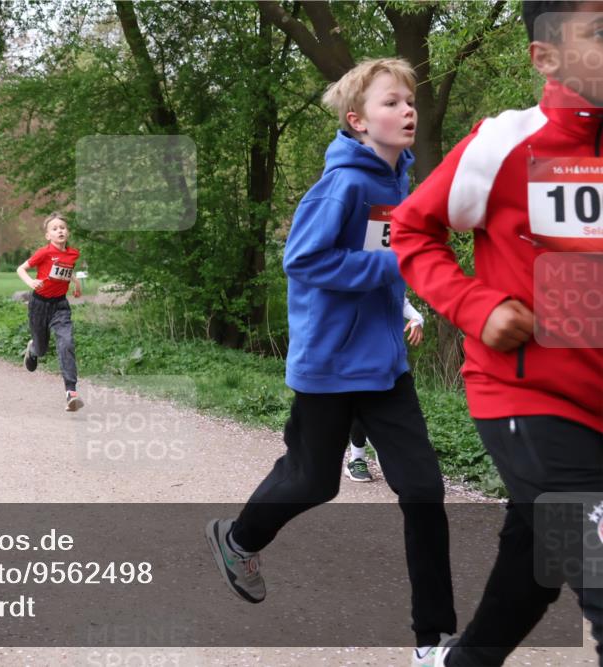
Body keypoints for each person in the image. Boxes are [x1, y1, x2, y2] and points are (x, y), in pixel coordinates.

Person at [204, 57, 457, 666]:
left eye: (409, 101)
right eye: (391, 102)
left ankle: (431, 642)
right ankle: (238, 540)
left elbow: (385, 252)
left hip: (385, 365)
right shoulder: (343, 182)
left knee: (423, 489)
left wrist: (406, 302)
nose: (407, 110)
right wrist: (400, 268)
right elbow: (306, 261)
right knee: (313, 479)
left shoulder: (402, 181)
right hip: (330, 364)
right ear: (357, 120)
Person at [390, 3, 603, 665]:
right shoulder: (506, 142)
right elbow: (410, 229)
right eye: (600, 32)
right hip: (531, 401)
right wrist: (475, 306)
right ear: (547, 58)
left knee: (533, 566)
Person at [346, 296, 426, 482]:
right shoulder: (349, 278)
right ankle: (357, 459)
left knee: (390, 406)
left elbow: (405, 305)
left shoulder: (388, 281)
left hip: (388, 358)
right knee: (359, 404)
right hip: (355, 357)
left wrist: (417, 320)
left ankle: (387, 451)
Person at [16, 212, 84, 412]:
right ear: (48, 235)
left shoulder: (73, 254)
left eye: (62, 227)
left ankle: (71, 392)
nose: (59, 231)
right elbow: (21, 268)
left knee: (67, 342)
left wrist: (77, 284)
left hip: (60, 306)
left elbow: (68, 269)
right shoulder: (43, 253)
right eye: (54, 229)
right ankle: (33, 349)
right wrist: (30, 282)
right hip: (39, 304)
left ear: (67, 232)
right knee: (42, 349)